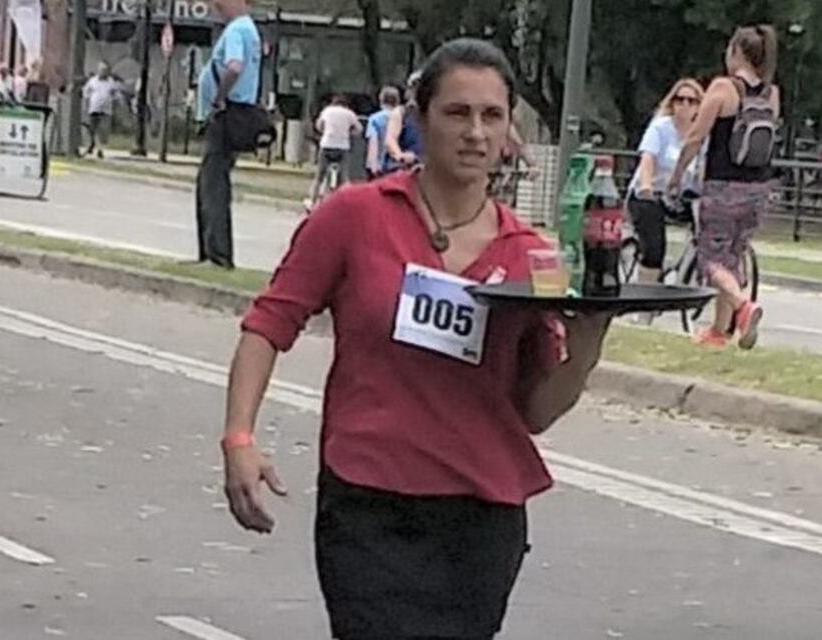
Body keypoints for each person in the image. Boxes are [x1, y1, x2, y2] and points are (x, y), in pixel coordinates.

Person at [221, 38, 613, 640]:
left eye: (492, 116)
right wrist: (239, 438)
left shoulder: (530, 254)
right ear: (420, 118)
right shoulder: (356, 215)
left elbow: (534, 412)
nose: (475, 133)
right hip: (370, 507)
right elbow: (268, 325)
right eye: (457, 113)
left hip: (481, 518)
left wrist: (586, 347)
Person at [669, 24, 780, 350]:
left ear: (736, 52)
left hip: (722, 186)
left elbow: (696, 137)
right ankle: (720, 331)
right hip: (759, 188)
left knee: (711, 260)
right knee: (733, 255)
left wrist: (677, 175)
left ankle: (742, 306)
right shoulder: (771, 94)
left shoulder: (722, 88)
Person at [194, 0, 262, 269]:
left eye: (218, 4)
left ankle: (217, 254)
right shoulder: (249, 29)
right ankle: (209, 250)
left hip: (225, 115)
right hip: (236, 113)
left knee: (213, 184)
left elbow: (234, 66)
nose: (215, 8)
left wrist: (218, 98)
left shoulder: (236, 30)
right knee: (209, 181)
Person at [625, 78, 704, 283]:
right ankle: (644, 302)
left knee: (707, 233)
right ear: (672, 103)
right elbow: (648, 158)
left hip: (680, 198)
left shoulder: (702, 135)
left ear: (699, 106)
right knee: (654, 248)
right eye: (680, 100)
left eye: (692, 101)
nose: (685, 105)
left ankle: (687, 274)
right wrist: (646, 185)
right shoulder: (660, 128)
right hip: (651, 195)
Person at [308, 94, 361, 206]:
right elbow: (359, 129)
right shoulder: (349, 113)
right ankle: (349, 202)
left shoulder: (327, 111)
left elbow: (319, 125)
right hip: (342, 147)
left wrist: (324, 131)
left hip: (327, 145)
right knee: (345, 177)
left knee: (319, 176)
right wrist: (349, 133)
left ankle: (312, 201)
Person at [383, 70, 425, 172]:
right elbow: (390, 139)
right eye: (414, 87)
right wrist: (399, 155)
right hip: (405, 168)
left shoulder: (435, 114)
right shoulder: (401, 113)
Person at [82, 63, 121, 158]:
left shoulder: (111, 82)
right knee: (92, 129)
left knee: (103, 131)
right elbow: (85, 92)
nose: (103, 72)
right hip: (94, 108)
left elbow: (116, 95)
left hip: (106, 110)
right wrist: (87, 103)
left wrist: (115, 104)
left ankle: (100, 149)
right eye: (102, 70)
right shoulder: (93, 81)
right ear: (98, 70)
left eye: (105, 70)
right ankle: (91, 145)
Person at [364, 85, 401, 178]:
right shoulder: (402, 117)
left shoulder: (375, 119)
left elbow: (373, 140)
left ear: (381, 100)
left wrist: (373, 164)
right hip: (400, 164)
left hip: (381, 164)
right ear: (397, 100)